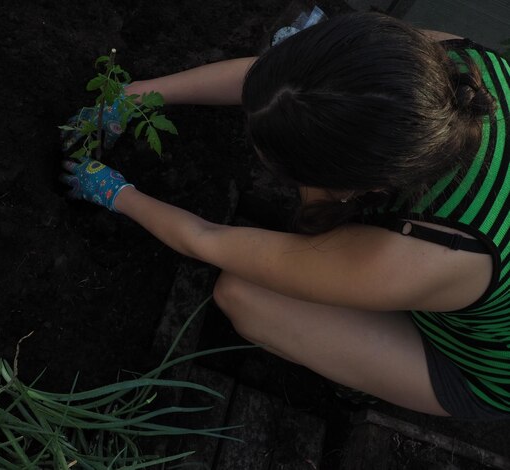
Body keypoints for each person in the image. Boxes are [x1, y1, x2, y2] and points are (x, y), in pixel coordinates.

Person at [60, 12, 510, 420]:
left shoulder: (416, 255)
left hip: (479, 365)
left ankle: (363, 385)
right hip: (469, 268)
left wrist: (115, 192)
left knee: (243, 296)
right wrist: (139, 95)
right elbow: (281, 89)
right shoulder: (439, 69)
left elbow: (206, 239)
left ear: (361, 189)